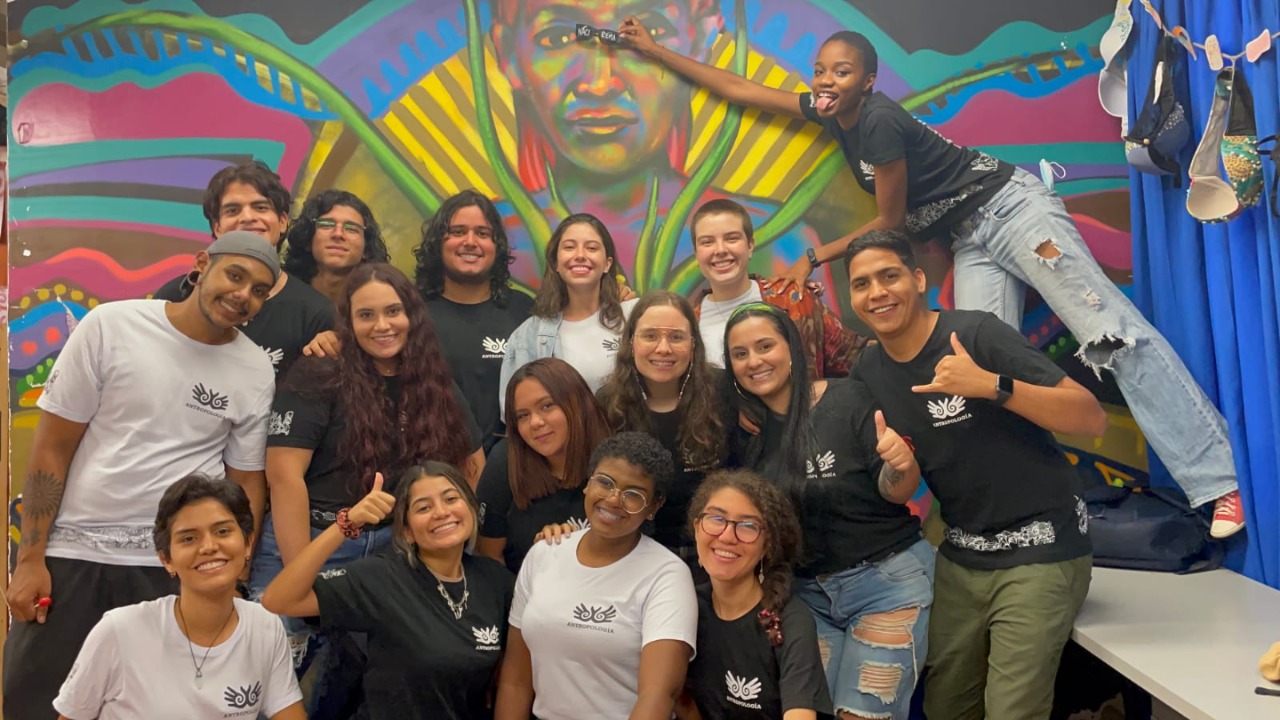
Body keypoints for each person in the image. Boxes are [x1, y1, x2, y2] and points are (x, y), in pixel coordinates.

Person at [618, 21, 1243, 537]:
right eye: (821, 72)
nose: (827, 82)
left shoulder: (878, 122)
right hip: (969, 238)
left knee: (1109, 333)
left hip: (1012, 211)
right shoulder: (833, 113)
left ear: (868, 81)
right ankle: (1030, 517)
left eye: (842, 72)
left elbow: (891, 224)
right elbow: (743, 89)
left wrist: (815, 256)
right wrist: (654, 51)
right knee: (976, 372)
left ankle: (1218, 479)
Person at [4, 232, 280, 720]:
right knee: (36, 701)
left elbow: (245, 484)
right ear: (202, 264)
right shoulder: (112, 326)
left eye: (259, 290)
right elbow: (52, 447)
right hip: (74, 557)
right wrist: (29, 559)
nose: (243, 295)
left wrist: (235, 576)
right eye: (235, 276)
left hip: (174, 567)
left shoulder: (255, 368)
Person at [845, 230, 1106, 719]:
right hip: (962, 556)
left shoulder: (975, 334)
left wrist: (992, 386)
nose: (877, 292)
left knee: (1011, 711)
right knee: (944, 708)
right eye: (862, 284)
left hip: (1043, 549)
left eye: (889, 276)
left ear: (917, 279)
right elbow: (899, 488)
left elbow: (1090, 417)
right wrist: (900, 467)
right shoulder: (869, 373)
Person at [252, 262, 484, 718]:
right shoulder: (321, 371)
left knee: (348, 694)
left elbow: (472, 464)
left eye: (393, 311)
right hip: (310, 538)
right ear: (348, 321)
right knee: (271, 691)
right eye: (366, 315)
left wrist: (437, 534)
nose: (382, 325)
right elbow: (284, 476)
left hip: (389, 555)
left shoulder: (432, 380)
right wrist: (303, 568)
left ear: (412, 315)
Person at [724, 302, 932, 719]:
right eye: (740, 354)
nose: (755, 361)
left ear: (791, 347)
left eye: (765, 346)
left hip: (884, 581)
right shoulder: (746, 433)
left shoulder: (845, 398)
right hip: (807, 599)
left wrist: (902, 465)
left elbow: (895, 492)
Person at [262, 463, 514, 720]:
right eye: (423, 508)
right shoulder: (382, 575)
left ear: (471, 508)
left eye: (450, 499)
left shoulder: (496, 581)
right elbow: (279, 600)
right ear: (407, 531)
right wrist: (345, 524)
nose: (441, 512)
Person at [54, 476, 304, 720]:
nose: (208, 547)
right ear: (166, 559)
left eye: (222, 531)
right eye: (189, 538)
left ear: (248, 543)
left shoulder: (265, 626)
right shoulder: (119, 630)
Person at [494, 432, 698, 720]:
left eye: (633, 494)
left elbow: (658, 696)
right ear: (587, 484)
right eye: (605, 482)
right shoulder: (544, 554)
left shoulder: (667, 575)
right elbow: (516, 680)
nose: (614, 499)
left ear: (654, 507)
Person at [155, 161, 334, 378]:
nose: (248, 217)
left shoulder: (315, 314)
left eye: (260, 207)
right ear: (217, 227)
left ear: (282, 221)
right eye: (233, 210)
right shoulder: (177, 295)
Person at [679, 469, 831, 720]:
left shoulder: (791, 619)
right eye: (716, 518)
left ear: (767, 544)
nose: (727, 536)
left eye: (748, 526)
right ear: (697, 528)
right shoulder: (686, 606)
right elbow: (679, 699)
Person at [597, 290, 732, 567]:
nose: (663, 348)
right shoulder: (608, 403)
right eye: (650, 336)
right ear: (631, 342)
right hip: (633, 548)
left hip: (716, 547)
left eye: (676, 337)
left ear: (693, 343)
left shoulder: (723, 391)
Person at [690, 199, 867, 378]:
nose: (720, 250)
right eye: (707, 242)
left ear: (750, 246)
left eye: (731, 238)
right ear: (696, 253)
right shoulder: (687, 327)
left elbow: (859, 360)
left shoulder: (794, 300)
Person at [417, 190, 536, 452]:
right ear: (438, 242)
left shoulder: (523, 310)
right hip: (435, 465)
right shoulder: (412, 312)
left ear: (497, 246)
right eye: (458, 232)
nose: (470, 242)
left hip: (511, 463)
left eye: (482, 233)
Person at [477, 358, 611, 572]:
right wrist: (540, 558)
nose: (535, 422)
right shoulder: (505, 461)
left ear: (578, 403)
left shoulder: (614, 457)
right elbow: (489, 557)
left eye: (547, 406)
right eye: (523, 416)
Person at [500, 213, 639, 404]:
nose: (580, 255)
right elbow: (516, 410)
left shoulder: (634, 316)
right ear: (556, 263)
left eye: (591, 248)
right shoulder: (528, 336)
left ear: (607, 264)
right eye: (569, 247)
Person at [280, 189, 391, 303]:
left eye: (351, 228)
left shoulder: (381, 301)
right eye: (326, 225)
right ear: (308, 239)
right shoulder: (279, 290)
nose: (338, 234)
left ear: (366, 249)